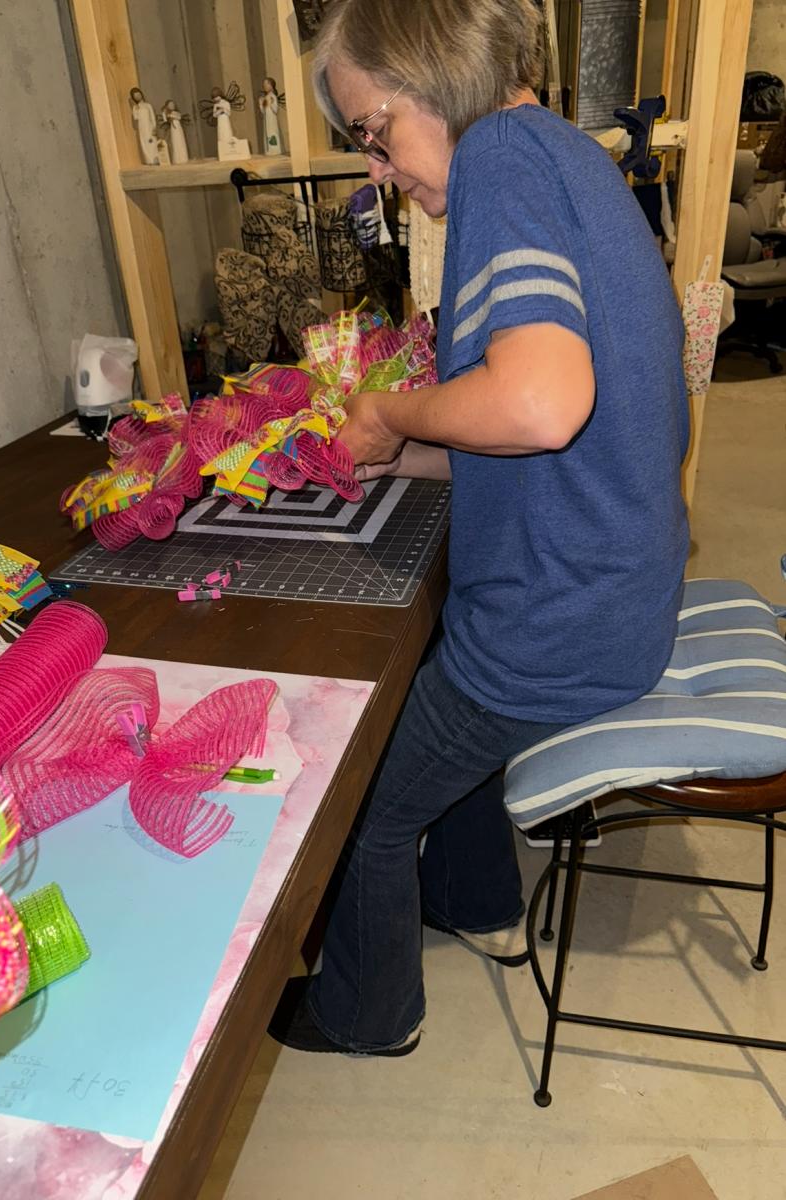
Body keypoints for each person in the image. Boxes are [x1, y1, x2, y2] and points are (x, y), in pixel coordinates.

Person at [268, 0, 690, 1058]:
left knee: (358, 802)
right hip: (616, 595)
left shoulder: (500, 154)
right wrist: (404, 450)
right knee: (433, 685)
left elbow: (539, 405)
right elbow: (546, 435)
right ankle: (475, 900)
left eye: (374, 131)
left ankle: (369, 1013)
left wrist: (387, 412)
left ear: (436, 76)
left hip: (565, 625)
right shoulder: (561, 154)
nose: (377, 170)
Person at [259, 77, 283, 155]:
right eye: (264, 85)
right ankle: (269, 149)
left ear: (271, 85)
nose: (264, 86)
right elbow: (263, 111)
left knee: (272, 132)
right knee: (267, 133)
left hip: (272, 119)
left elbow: (275, 110)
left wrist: (271, 103)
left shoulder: (273, 96)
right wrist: (261, 104)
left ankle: (275, 150)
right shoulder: (266, 97)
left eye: (266, 84)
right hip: (267, 119)